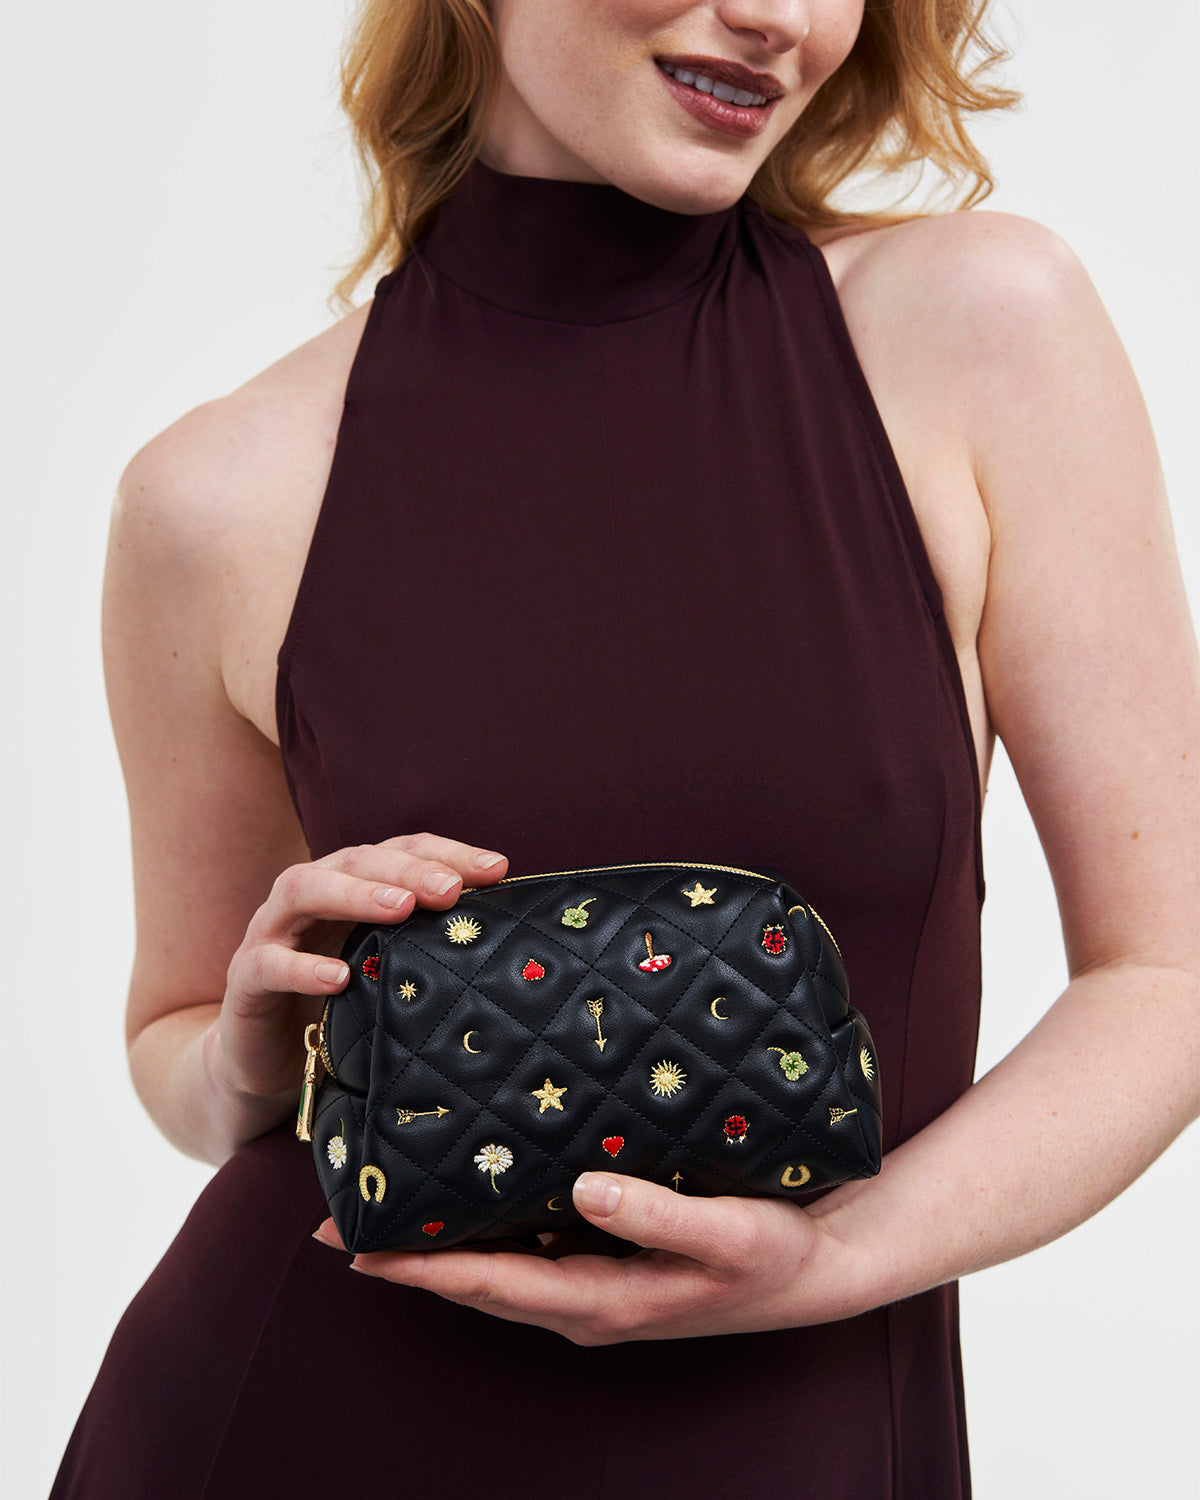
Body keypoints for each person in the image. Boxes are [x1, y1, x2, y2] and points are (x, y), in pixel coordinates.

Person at [50, 0, 1198, 1495]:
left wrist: (827, 1259)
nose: (781, 18)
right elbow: (178, 1050)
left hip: (805, 1434)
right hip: (290, 1422)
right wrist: (253, 1045)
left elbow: (1168, 976)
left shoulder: (979, 326)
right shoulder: (210, 498)